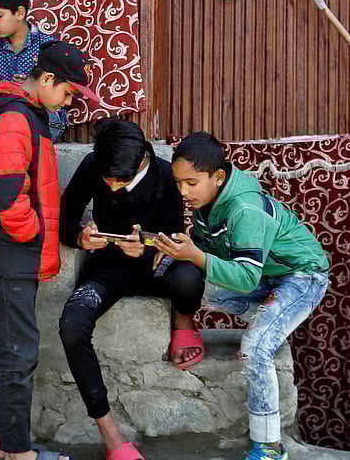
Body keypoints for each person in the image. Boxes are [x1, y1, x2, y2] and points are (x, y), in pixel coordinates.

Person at [154, 132, 331, 460]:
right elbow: (206, 251)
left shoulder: (244, 208)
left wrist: (193, 255)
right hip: (264, 280)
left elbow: (245, 274)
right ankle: (270, 316)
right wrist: (165, 249)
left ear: (218, 177)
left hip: (301, 278)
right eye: (179, 183)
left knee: (255, 349)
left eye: (191, 183)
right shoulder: (209, 201)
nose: (183, 192)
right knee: (183, 281)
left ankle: (269, 447)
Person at [0, 40, 99, 460]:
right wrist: (32, 233)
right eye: (67, 93)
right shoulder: (14, 119)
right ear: (47, 79)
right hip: (12, 253)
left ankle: (2, 444)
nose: (67, 103)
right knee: (19, 353)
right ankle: (19, 453)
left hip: (14, 253)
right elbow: (8, 193)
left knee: (11, 349)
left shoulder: (28, 114)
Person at [58, 118, 206, 460]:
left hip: (156, 267)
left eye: (120, 180)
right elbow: (64, 219)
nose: (111, 186)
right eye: (106, 179)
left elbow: (174, 236)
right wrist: (80, 236)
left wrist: (150, 247)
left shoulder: (166, 175)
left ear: (141, 160)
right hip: (108, 267)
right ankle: (110, 434)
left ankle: (182, 320)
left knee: (188, 276)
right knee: (72, 324)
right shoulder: (94, 164)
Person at [0, 0, 71, 141]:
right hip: (7, 115)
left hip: (49, 120)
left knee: (13, 122)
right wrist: (9, 88)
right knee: (1, 118)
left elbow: (61, 95)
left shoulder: (49, 47)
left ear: (20, 13)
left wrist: (32, 88)